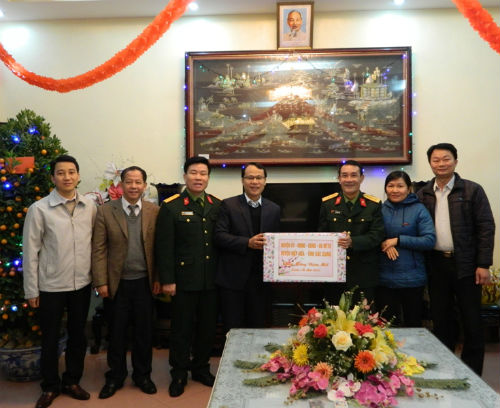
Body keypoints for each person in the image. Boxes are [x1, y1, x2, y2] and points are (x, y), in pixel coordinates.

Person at [23, 155, 96, 408]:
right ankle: (50, 385)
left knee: (78, 335)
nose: (67, 177)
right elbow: (30, 252)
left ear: (78, 175)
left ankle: (72, 381)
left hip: (81, 284)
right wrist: (31, 289)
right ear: (53, 177)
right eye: (61, 173)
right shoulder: (39, 209)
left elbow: (95, 244)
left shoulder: (89, 206)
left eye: (71, 172)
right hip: (51, 285)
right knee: (50, 338)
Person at [417, 143, 494, 375]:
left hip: (467, 265)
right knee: (442, 321)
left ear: (455, 161)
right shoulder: (423, 194)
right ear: (430, 163)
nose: (441, 164)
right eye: (436, 160)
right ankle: (447, 370)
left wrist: (483, 264)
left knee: (471, 321)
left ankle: (472, 373)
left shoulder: (472, 190)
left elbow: (486, 227)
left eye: (446, 159)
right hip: (436, 264)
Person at [155, 156, 221, 398]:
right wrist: (167, 280)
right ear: (185, 176)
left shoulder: (217, 205)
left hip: (211, 280)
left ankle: (201, 368)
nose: (198, 177)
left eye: (203, 173)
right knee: (181, 329)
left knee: (207, 328)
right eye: (194, 173)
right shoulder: (171, 206)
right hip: (183, 280)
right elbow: (164, 247)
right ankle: (179, 373)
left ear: (208, 178)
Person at [91, 166, 160, 399]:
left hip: (144, 283)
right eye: (129, 182)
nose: (133, 186)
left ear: (144, 186)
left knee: (144, 333)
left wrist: (158, 279)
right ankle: (115, 376)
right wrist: (101, 282)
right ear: (120, 185)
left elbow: (160, 249)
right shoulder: (105, 211)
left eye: (138, 182)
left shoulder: (154, 211)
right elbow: (99, 249)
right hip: (116, 283)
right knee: (116, 333)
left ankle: (143, 375)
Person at [214, 162, 280, 333]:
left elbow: (278, 242)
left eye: (259, 178)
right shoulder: (228, 205)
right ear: (243, 180)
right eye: (250, 177)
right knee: (233, 329)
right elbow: (219, 236)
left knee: (258, 329)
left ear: (265, 181)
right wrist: (247, 243)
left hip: (261, 282)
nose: (254, 182)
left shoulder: (274, 209)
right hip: (233, 280)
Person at [318, 160, 384, 304]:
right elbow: (321, 235)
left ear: (362, 178)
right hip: (334, 273)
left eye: (353, 175)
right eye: (344, 175)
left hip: (364, 274)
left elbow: (377, 235)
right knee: (333, 315)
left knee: (362, 316)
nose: (349, 180)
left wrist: (353, 241)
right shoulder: (327, 204)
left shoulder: (373, 205)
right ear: (339, 178)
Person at [377, 170, 435, 327]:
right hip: (384, 278)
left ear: (409, 189)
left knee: (413, 325)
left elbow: (429, 240)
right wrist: (384, 243)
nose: (395, 190)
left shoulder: (419, 209)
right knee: (387, 327)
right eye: (391, 186)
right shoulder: (379, 209)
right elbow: (372, 234)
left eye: (400, 186)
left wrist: (398, 240)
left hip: (412, 279)